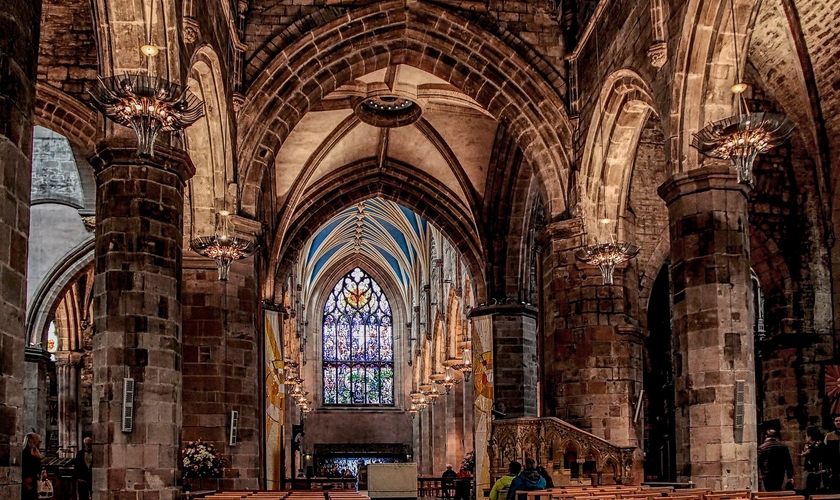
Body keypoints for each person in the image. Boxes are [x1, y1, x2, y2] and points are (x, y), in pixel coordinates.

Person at [803, 426, 826, 497]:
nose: (806, 437)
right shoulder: (809, 445)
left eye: (807, 435)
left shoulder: (820, 445)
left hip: (818, 472)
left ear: (810, 436)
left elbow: (819, 457)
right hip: (811, 472)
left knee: (816, 492)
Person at [21, 432, 42, 500]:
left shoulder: (35, 453)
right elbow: (24, 467)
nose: (40, 444)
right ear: (35, 442)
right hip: (28, 483)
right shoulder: (25, 453)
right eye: (39, 441)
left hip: (34, 481)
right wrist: (26, 482)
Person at [825, 415, 840, 493]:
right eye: (836, 421)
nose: (838, 422)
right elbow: (825, 452)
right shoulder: (829, 436)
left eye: (839, 421)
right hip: (834, 467)